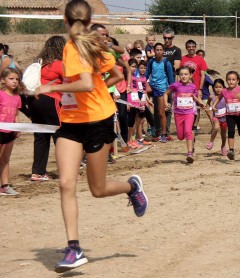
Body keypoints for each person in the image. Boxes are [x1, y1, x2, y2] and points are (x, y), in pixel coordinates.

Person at [35, 0, 148, 273]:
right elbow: (113, 76)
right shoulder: (84, 46)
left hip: (97, 121)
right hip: (71, 123)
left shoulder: (81, 47)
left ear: (64, 20)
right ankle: (74, 247)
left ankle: (132, 187)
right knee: (65, 183)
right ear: (89, 21)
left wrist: (53, 86)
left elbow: (95, 80)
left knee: (97, 189)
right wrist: (95, 86)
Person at [28, 36, 65, 181]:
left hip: (34, 101)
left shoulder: (39, 64)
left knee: (40, 137)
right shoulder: (59, 64)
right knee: (60, 136)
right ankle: (65, 171)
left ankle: (38, 172)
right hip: (51, 100)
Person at [164, 66, 204, 163]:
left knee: (188, 131)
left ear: (190, 75)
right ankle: (190, 141)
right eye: (181, 74)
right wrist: (166, 103)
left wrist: (200, 102)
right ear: (179, 75)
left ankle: (190, 153)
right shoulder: (176, 85)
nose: (183, 76)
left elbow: (194, 96)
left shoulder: (193, 86)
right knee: (180, 136)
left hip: (189, 113)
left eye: (186, 74)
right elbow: (165, 93)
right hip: (178, 114)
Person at [211, 71, 240, 160]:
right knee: (231, 131)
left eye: (233, 79)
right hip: (230, 115)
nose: (231, 81)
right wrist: (213, 105)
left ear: (237, 81)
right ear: (226, 81)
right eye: (229, 79)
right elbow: (219, 98)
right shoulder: (224, 91)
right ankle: (231, 150)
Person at [145, 42, 175, 143]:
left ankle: (164, 134)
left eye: (160, 50)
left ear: (163, 51)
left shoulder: (166, 63)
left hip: (162, 89)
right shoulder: (151, 62)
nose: (158, 52)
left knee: (161, 113)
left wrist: (171, 91)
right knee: (154, 111)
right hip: (153, 87)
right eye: (157, 50)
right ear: (154, 51)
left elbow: (171, 79)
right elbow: (146, 74)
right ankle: (156, 130)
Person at [0, 68, 22, 196]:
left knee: (5, 159)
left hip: (10, 133)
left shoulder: (17, 97)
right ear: (3, 80)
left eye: (17, 79)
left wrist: (18, 128)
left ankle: (5, 186)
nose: (15, 82)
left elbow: (16, 115)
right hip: (0, 130)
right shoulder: (0, 94)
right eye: (11, 78)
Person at [181, 40, 208, 133]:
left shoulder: (200, 59)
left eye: (193, 46)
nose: (191, 48)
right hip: (184, 88)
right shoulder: (183, 59)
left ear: (195, 47)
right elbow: (179, 74)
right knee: (185, 106)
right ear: (186, 47)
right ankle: (186, 125)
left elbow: (203, 75)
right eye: (189, 46)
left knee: (197, 107)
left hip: (196, 87)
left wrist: (200, 89)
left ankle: (195, 126)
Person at [162, 28, 182, 140]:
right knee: (157, 107)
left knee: (168, 107)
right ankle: (157, 130)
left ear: (173, 38)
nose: (167, 40)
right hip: (157, 81)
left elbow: (177, 67)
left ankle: (167, 131)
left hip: (170, 82)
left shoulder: (176, 50)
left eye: (169, 38)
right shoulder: (159, 48)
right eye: (165, 38)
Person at [205, 78, 228, 156]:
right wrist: (208, 109)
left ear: (224, 87)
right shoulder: (212, 97)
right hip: (216, 117)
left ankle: (223, 146)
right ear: (213, 88)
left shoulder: (225, 96)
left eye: (220, 87)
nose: (218, 89)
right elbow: (208, 104)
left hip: (225, 118)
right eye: (216, 87)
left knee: (223, 134)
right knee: (216, 127)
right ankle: (211, 142)